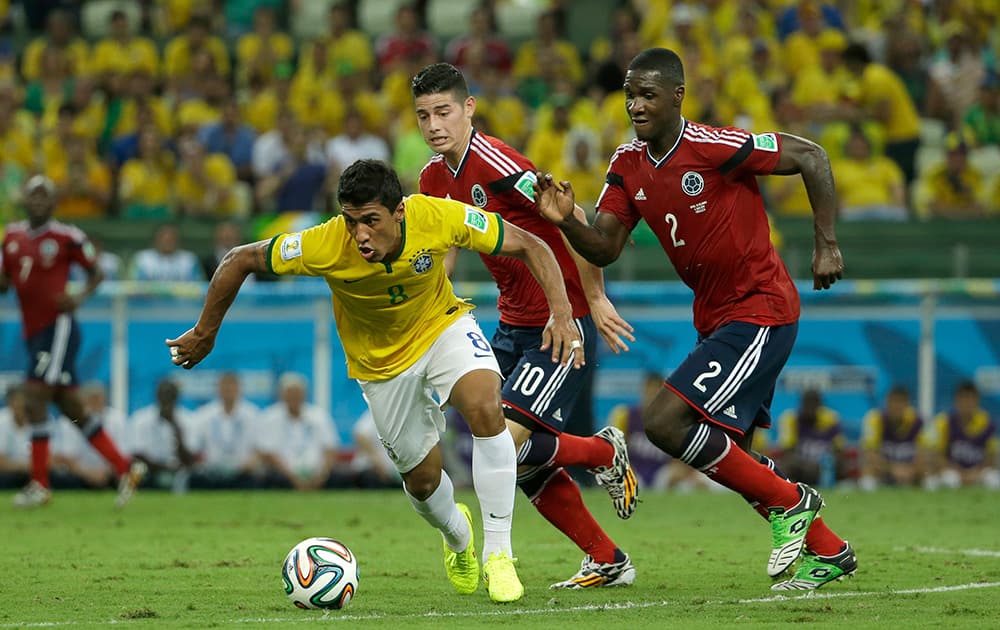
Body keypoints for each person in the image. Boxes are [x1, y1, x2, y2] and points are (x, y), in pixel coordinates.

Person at [166, 159, 586, 603]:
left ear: (399, 212)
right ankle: (459, 538)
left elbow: (532, 243)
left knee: (486, 406)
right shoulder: (325, 243)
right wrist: (205, 331)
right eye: (351, 221)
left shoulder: (436, 216)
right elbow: (240, 259)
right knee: (423, 482)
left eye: (371, 221)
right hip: (381, 367)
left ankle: (498, 555)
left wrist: (562, 314)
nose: (360, 234)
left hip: (442, 328)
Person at [534, 48, 855, 591]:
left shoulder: (713, 146)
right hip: (716, 316)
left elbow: (813, 157)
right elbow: (607, 246)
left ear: (677, 96)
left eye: (648, 95)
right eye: (630, 95)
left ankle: (793, 502)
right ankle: (830, 551)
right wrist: (566, 222)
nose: (635, 105)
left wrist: (826, 245)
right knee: (738, 458)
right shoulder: (627, 164)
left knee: (664, 422)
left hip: (761, 308)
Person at [412, 62, 639, 590]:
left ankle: (603, 452)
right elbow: (441, 252)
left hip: (560, 322)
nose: (434, 125)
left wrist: (593, 298)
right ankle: (607, 559)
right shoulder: (430, 178)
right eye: (423, 116)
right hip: (512, 322)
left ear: (469, 109)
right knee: (505, 456)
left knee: (504, 447)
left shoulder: (495, 161)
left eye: (443, 111)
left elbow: (569, 213)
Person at [0, 176, 146, 508]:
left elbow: (96, 272)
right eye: (33, 195)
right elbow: (5, 283)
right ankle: (126, 468)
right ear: (24, 200)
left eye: (45, 196)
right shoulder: (11, 237)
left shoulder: (67, 236)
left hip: (59, 327)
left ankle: (40, 483)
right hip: (33, 331)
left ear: (53, 203)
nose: (38, 202)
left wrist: (79, 296)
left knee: (33, 395)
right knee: (71, 408)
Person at [255, 372, 342, 490]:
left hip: (316, 472)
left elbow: (330, 448)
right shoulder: (270, 418)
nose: (294, 397)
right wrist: (292, 477)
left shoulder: (319, 416)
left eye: (297, 393)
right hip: (283, 474)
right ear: (281, 395)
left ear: (305, 394)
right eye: (289, 393)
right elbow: (267, 452)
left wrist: (322, 475)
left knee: (339, 477)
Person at [189, 372, 261, 489]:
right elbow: (195, 446)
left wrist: (251, 463)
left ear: (239, 389)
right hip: (212, 473)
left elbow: (260, 447)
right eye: (225, 386)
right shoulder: (204, 415)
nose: (228, 390)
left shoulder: (252, 414)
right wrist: (202, 462)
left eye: (232, 386)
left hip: (242, 473)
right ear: (218, 389)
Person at [127, 378, 199, 493]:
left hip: (179, 473)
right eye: (164, 396)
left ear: (177, 398)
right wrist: (164, 468)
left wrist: (175, 428)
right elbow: (137, 454)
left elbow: (190, 460)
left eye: (170, 396)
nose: (166, 401)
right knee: (136, 470)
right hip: (149, 472)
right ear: (157, 396)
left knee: (190, 476)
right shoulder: (140, 419)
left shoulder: (189, 420)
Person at [926, 381, 998, 490]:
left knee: (994, 480)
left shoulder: (986, 423)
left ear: (977, 400)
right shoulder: (944, 422)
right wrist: (959, 473)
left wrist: (976, 472)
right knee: (946, 480)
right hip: (951, 471)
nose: (967, 403)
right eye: (963, 398)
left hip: (977, 473)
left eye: (971, 399)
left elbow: (990, 456)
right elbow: (937, 454)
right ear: (956, 400)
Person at [859, 385, 926, 490]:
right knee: (868, 467)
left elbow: (924, 454)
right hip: (883, 470)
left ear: (907, 404)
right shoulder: (875, 419)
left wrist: (911, 470)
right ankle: (869, 495)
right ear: (887, 402)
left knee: (927, 469)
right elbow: (870, 454)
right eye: (893, 402)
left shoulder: (917, 421)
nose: (896, 406)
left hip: (909, 472)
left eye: (900, 402)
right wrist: (893, 469)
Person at [775, 389, 845, 487]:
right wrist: (805, 464)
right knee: (788, 464)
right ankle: (788, 487)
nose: (810, 408)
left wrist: (823, 463)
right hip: (801, 466)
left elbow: (839, 450)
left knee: (839, 463)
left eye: (814, 404)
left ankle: (835, 485)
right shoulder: (792, 419)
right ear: (801, 404)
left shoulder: (831, 418)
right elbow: (787, 451)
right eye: (807, 404)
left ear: (819, 405)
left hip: (824, 466)